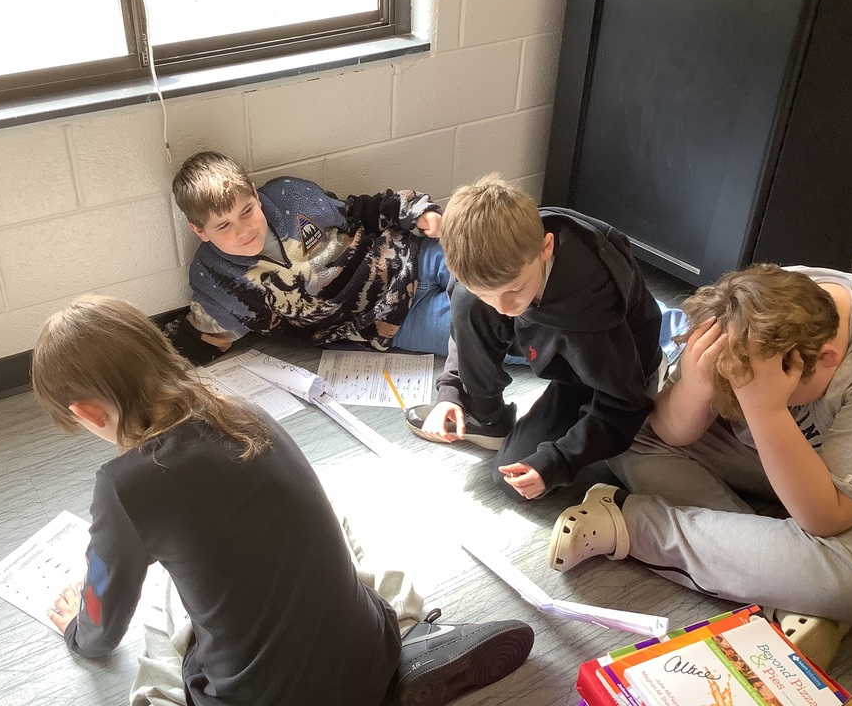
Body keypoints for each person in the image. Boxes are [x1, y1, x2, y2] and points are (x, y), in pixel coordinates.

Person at [31, 295, 535, 706]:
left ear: (88, 412)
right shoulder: (245, 410)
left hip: (256, 697)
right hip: (371, 651)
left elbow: (103, 625)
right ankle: (407, 653)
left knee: (163, 619)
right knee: (335, 531)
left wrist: (80, 627)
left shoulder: (123, 485)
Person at [547, 264, 852, 669]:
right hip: (774, 463)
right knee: (625, 436)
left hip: (845, 502)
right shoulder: (741, 312)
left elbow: (828, 516)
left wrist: (765, 409)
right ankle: (791, 585)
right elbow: (667, 431)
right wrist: (695, 389)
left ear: (826, 360)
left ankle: (638, 526)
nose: (739, 399)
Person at [407, 174, 664, 500]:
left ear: (546, 247)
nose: (503, 307)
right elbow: (472, 317)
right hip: (556, 346)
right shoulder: (502, 263)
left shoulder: (588, 319)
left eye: (514, 290)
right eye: (489, 294)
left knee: (514, 479)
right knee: (467, 303)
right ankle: (484, 415)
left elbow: (624, 405)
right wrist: (452, 391)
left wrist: (557, 461)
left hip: (613, 378)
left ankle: (652, 378)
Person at [166, 151, 452, 365]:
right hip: (387, 318)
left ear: (255, 193)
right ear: (199, 230)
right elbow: (199, 340)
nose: (244, 231)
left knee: (490, 276)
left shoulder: (290, 195)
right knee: (476, 337)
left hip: (409, 255)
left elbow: (358, 210)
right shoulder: (214, 278)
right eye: (224, 226)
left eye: (246, 211)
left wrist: (413, 211)